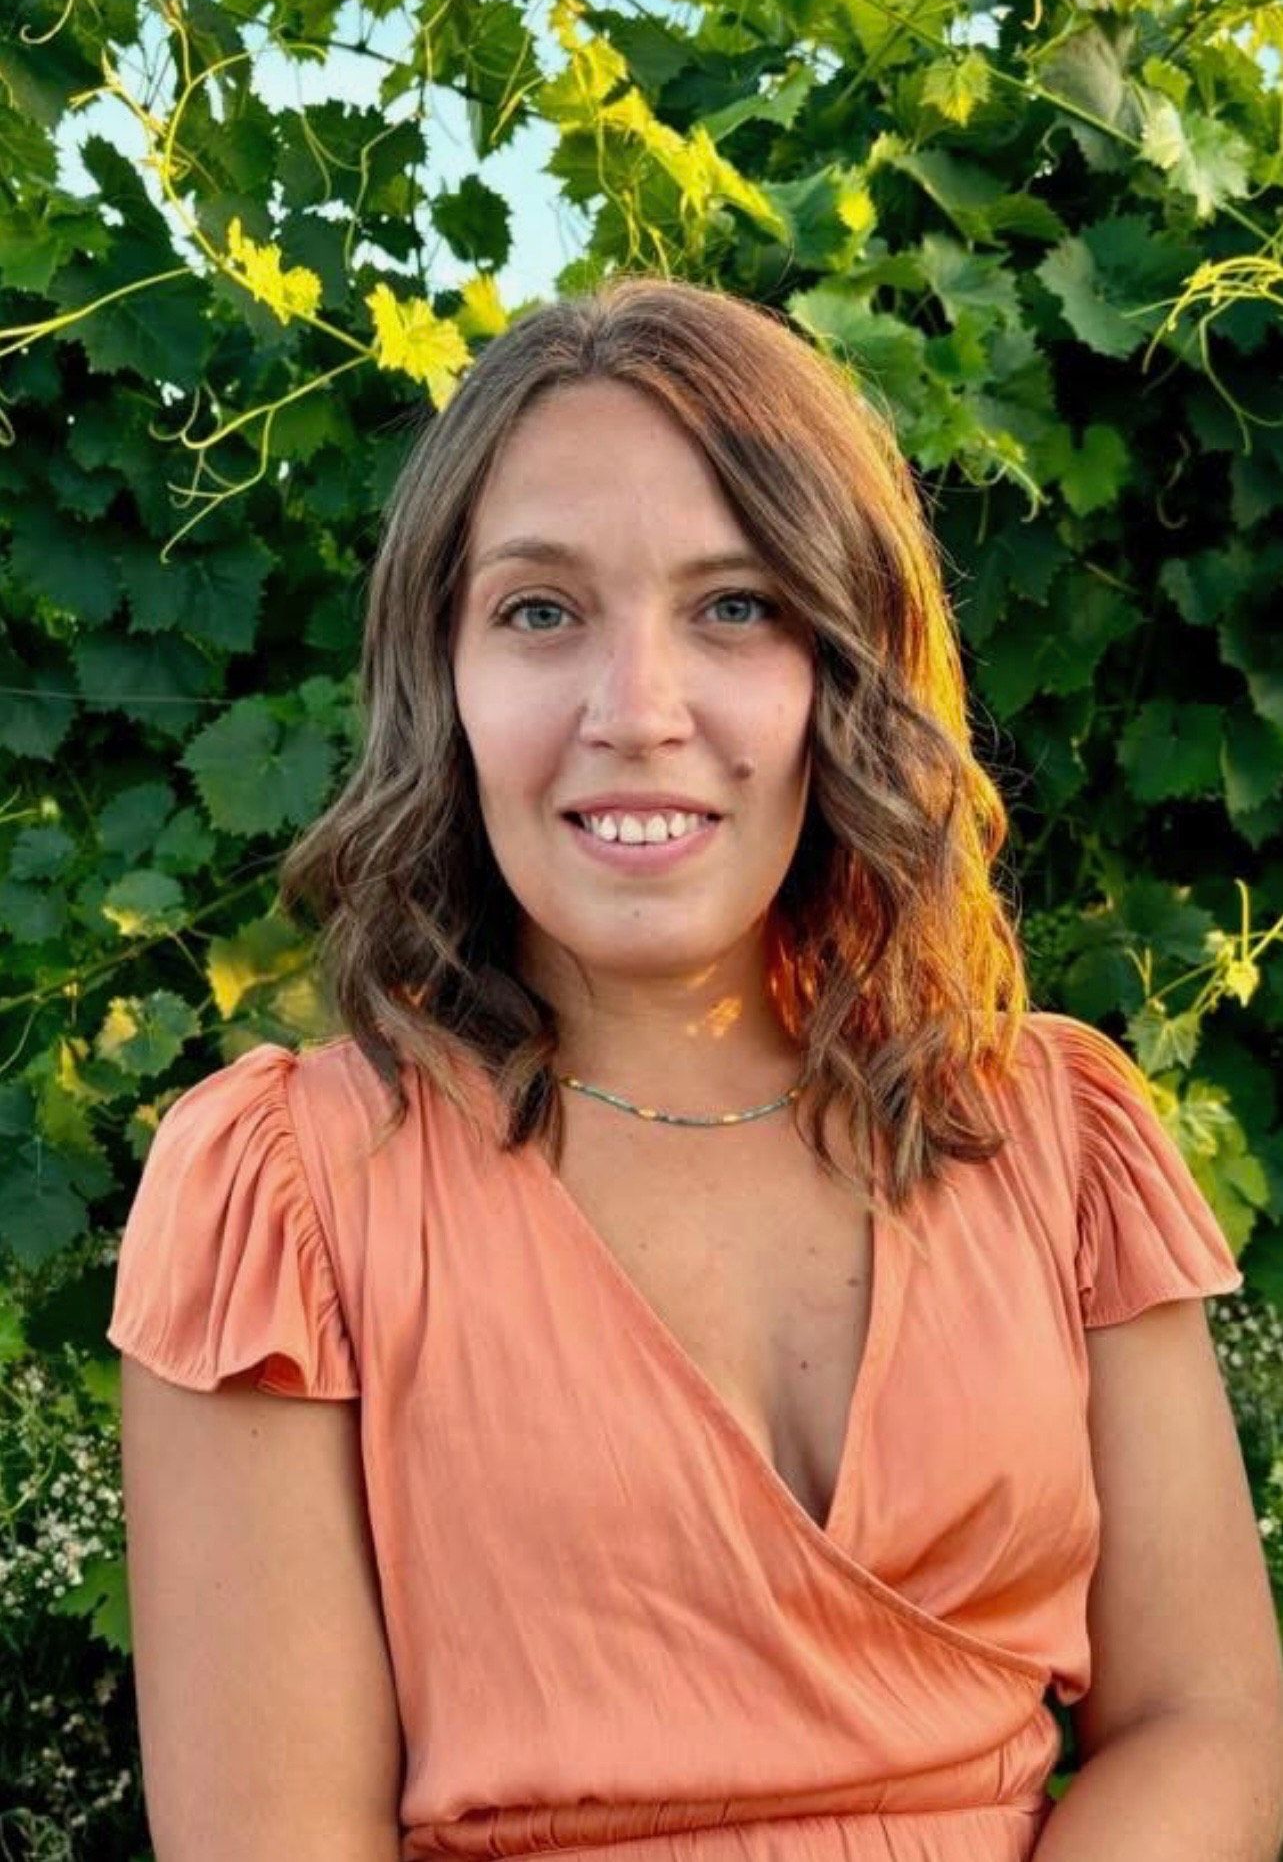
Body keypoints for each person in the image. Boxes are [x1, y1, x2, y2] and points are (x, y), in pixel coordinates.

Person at [107, 274, 1282, 1862]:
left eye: (734, 605)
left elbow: (1208, 1719)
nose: (636, 711)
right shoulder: (288, 1200)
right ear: (440, 680)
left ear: (840, 667)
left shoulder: (1052, 1132)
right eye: (540, 610)